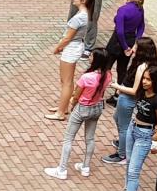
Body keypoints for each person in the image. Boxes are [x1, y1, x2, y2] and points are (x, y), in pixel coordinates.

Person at [108, 65, 157, 191]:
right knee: (129, 163)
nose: (144, 82)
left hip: (145, 134)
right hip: (132, 128)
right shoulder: (142, 92)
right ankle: (127, 190)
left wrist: (155, 143)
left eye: (149, 79)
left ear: (156, 81)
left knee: (134, 170)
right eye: (144, 78)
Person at [45, 48, 113, 180]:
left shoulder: (86, 77)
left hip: (83, 108)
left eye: (92, 56)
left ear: (96, 60)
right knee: (90, 138)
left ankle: (62, 169)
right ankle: (85, 167)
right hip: (97, 107)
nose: (90, 57)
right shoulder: (108, 74)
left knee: (68, 138)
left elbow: (76, 96)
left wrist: (72, 105)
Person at [102, 35, 157, 166]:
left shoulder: (142, 67)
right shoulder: (144, 63)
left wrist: (117, 86)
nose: (133, 48)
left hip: (128, 98)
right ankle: (124, 142)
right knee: (117, 118)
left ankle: (122, 154)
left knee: (124, 126)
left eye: (135, 47)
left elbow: (134, 90)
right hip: (125, 96)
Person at [46, 0, 90, 121]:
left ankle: (60, 112)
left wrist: (58, 47)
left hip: (71, 48)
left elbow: (67, 38)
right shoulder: (85, 15)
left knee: (66, 81)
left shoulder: (79, 18)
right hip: (75, 46)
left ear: (84, 0)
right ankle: (63, 107)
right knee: (67, 80)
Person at [105, 0, 146, 85]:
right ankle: (119, 91)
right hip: (131, 40)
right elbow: (141, 27)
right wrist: (136, 43)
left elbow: (120, 31)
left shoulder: (122, 10)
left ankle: (100, 88)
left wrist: (124, 47)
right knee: (122, 69)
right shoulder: (140, 8)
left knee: (106, 66)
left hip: (117, 42)